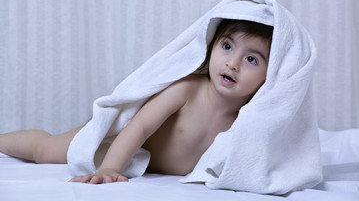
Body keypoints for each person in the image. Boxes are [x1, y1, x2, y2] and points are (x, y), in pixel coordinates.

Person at [0, 19, 273, 184]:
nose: (233, 63)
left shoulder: (251, 120)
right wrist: (110, 168)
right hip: (118, 145)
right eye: (227, 46)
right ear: (210, 47)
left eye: (251, 59)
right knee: (47, 151)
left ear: (271, 74)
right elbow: (139, 126)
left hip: (144, 164)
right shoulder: (188, 89)